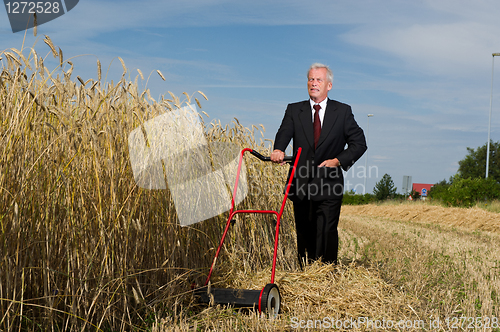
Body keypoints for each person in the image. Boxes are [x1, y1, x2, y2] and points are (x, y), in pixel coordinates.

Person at [271, 63, 367, 267]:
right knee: (305, 231)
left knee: (326, 230)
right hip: (301, 182)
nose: (313, 83)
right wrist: (279, 149)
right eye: (311, 79)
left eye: (318, 80)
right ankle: (306, 273)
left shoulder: (342, 112)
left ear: (329, 85)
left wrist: (337, 161)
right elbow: (284, 133)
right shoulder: (294, 110)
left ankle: (326, 274)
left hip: (329, 183)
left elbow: (359, 143)